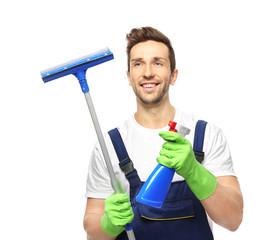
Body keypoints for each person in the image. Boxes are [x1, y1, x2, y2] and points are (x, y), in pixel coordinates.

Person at [83, 26, 243, 240]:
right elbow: (93, 233)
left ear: (173, 75)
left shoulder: (205, 135)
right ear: (129, 77)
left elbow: (233, 220)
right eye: (138, 64)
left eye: (158, 63)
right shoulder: (109, 144)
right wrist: (108, 224)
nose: (148, 72)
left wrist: (193, 171)